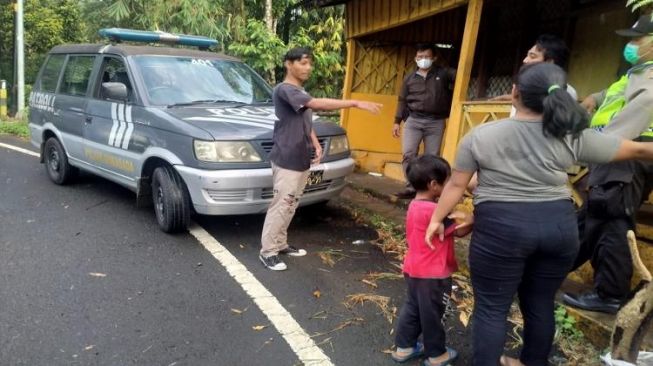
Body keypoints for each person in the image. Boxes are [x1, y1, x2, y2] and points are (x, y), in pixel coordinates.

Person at [424, 62, 653, 366]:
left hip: (502, 230)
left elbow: (456, 183)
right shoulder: (572, 137)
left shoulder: (481, 136)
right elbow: (636, 150)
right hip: (559, 229)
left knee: (492, 308)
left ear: (515, 93)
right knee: (541, 304)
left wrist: (437, 218)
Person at [259, 47, 382, 271]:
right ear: (289, 64)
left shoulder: (299, 92)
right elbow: (315, 104)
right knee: (281, 204)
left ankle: (281, 243)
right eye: (303, 63)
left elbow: (305, 121)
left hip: (300, 157)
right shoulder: (285, 89)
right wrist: (354, 103)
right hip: (286, 157)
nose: (308, 68)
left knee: (291, 204)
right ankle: (268, 251)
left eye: (309, 63)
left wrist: (315, 143)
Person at [564, 14, 653, 313]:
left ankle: (611, 294)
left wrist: (585, 144)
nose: (630, 45)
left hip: (627, 153)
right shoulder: (638, 72)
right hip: (614, 154)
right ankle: (550, 269)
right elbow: (616, 94)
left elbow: (627, 124)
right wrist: (594, 98)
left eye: (637, 39)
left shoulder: (652, 80)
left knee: (613, 222)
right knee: (593, 215)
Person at [391, 155, 472, 366]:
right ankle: (437, 355)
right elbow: (460, 232)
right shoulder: (436, 211)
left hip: (413, 270)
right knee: (433, 315)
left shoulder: (415, 206)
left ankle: (404, 348)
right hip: (433, 276)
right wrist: (473, 218)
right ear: (434, 185)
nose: (450, 186)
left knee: (413, 309)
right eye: (447, 182)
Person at [392, 44, 456, 199]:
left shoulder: (444, 73)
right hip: (413, 120)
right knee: (408, 154)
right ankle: (411, 187)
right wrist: (396, 121)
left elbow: (462, 76)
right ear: (415, 58)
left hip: (436, 121)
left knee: (432, 157)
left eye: (426, 57)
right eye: (420, 57)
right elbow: (402, 100)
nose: (423, 60)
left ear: (433, 58)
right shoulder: (409, 78)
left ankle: (429, 191)